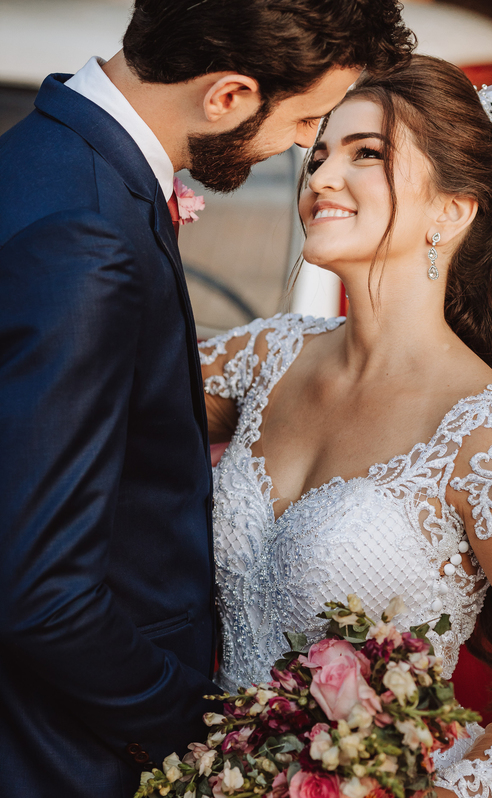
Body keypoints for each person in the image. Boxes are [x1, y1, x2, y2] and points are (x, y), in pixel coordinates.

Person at [0, 2, 412, 795]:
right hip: (64, 752)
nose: (304, 146)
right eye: (306, 119)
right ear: (226, 95)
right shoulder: (88, 238)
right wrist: (205, 738)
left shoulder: (39, 159)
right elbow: (43, 594)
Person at [198, 55, 492, 797]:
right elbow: (104, 394)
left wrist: (453, 792)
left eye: (366, 154)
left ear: (452, 210)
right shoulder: (267, 356)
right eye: (317, 154)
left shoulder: (486, 434)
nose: (319, 178)